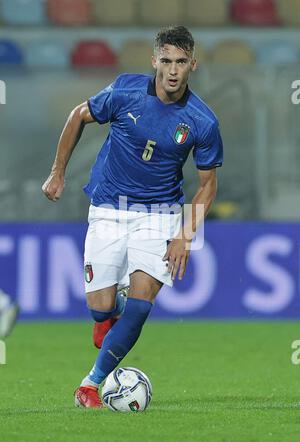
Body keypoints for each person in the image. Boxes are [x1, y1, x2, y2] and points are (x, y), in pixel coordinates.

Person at [42, 25, 223, 408]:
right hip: (108, 208)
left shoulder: (202, 121)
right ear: (154, 60)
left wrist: (184, 235)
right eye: (166, 61)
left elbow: (207, 185)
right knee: (100, 309)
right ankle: (112, 311)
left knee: (141, 307)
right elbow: (78, 115)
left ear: (193, 63)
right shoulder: (125, 92)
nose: (173, 70)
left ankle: (90, 384)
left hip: (158, 215)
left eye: (181, 62)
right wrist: (58, 171)